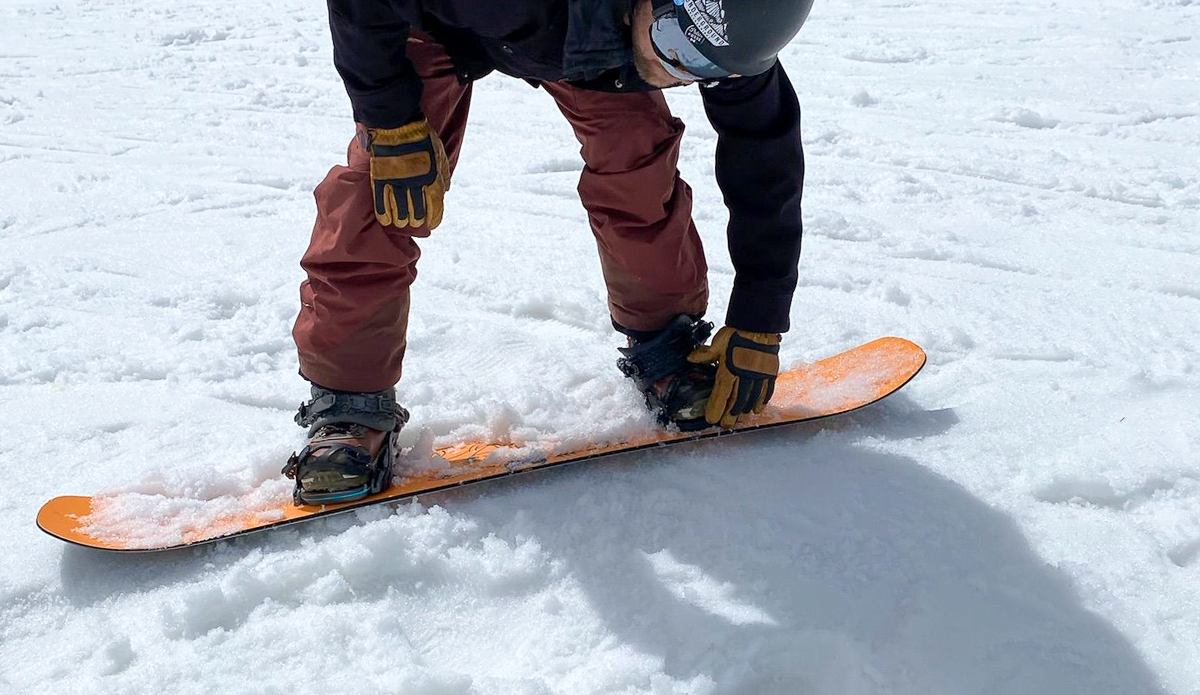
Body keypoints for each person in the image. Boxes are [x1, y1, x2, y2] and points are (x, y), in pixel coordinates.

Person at [283, 0, 815, 505]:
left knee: (638, 165)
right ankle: (348, 407)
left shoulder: (724, 37)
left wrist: (759, 320)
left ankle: (666, 346)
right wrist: (389, 119)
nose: (676, 71)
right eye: (673, 42)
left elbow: (766, 174)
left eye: (703, 66)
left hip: (592, 42)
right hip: (440, 20)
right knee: (384, 192)